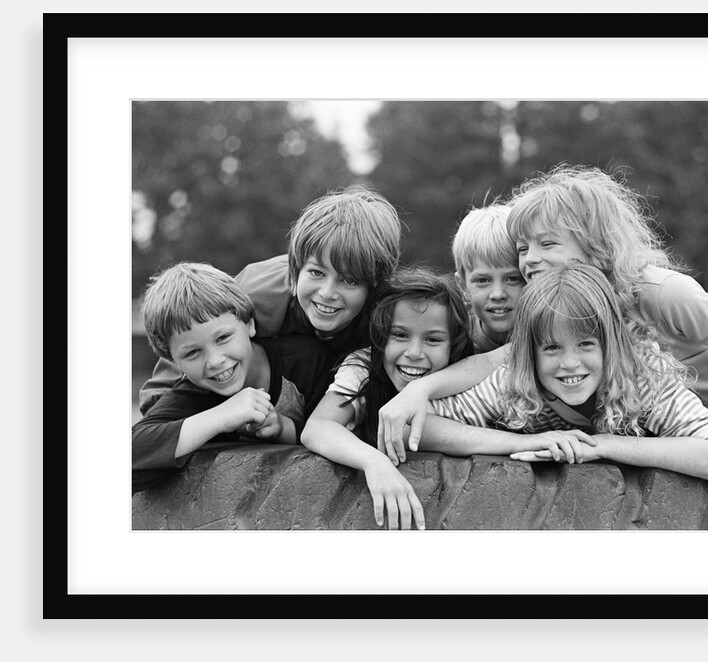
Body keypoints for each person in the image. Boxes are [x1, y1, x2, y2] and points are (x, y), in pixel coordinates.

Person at [379, 164, 708, 464]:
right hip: (652, 414)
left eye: (547, 244)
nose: (530, 260)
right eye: (522, 248)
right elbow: (494, 362)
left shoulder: (664, 293)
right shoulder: (557, 314)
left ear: (595, 245)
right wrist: (421, 390)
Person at [418, 264, 708, 483]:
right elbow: (418, 425)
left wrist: (600, 445)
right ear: (529, 353)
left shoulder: (643, 377)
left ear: (610, 345)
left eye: (585, 344)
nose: (570, 363)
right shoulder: (515, 381)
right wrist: (520, 442)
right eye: (552, 348)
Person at [138, 184, 402, 415]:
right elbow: (186, 332)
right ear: (296, 268)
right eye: (316, 272)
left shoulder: (390, 317)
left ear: (374, 286)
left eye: (350, 280)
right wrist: (161, 406)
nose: (327, 292)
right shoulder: (254, 293)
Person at [132, 263, 337, 492]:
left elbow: (351, 430)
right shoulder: (193, 394)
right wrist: (222, 416)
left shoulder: (309, 361)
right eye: (193, 352)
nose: (215, 361)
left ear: (249, 324)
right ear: (173, 361)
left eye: (223, 338)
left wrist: (283, 429)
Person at [300, 267, 475, 530]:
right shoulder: (364, 366)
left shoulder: (465, 373)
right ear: (381, 337)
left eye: (433, 339)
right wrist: (373, 462)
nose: (414, 352)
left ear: (454, 345)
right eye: (400, 335)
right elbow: (316, 427)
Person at [451, 203, 525, 353]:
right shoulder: (451, 343)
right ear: (463, 285)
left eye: (512, 279)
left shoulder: (554, 334)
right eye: (482, 281)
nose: (498, 294)